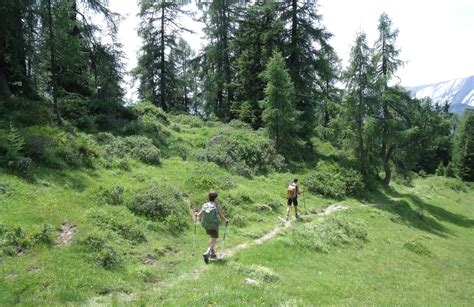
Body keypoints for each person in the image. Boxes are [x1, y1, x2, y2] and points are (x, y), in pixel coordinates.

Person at [195, 191, 228, 264]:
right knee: (214, 239)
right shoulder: (216, 206)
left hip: (206, 225)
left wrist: (196, 214)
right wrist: (225, 220)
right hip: (214, 225)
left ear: (208, 197)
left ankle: (212, 253)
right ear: (215, 198)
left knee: (212, 238)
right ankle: (207, 252)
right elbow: (221, 216)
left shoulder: (204, 205)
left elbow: (199, 215)